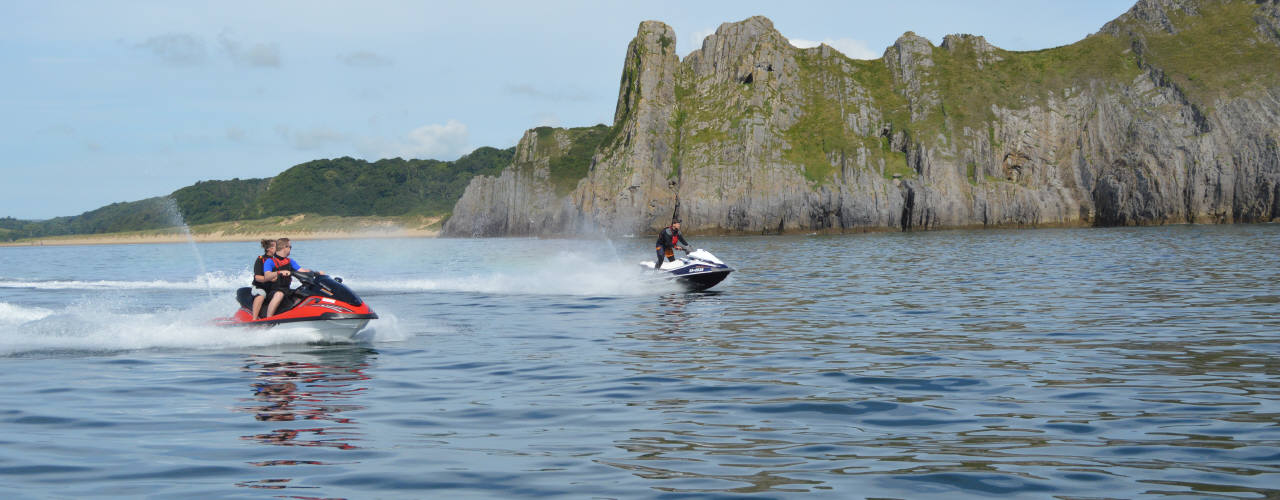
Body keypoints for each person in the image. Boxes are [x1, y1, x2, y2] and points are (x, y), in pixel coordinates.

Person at [263, 238, 322, 318]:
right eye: (290, 247)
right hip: (273, 291)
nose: (290, 249)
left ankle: (297, 316)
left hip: (286, 290)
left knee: (304, 293)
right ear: (285, 247)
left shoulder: (290, 261)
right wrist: (279, 272)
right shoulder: (270, 261)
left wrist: (316, 273)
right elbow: (267, 276)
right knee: (279, 294)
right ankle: (268, 319)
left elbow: (302, 271)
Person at [250, 239, 276, 319]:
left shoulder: (278, 260)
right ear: (269, 249)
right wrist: (269, 279)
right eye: (277, 247)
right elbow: (257, 277)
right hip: (260, 287)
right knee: (261, 295)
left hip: (272, 288)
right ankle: (254, 319)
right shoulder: (260, 259)